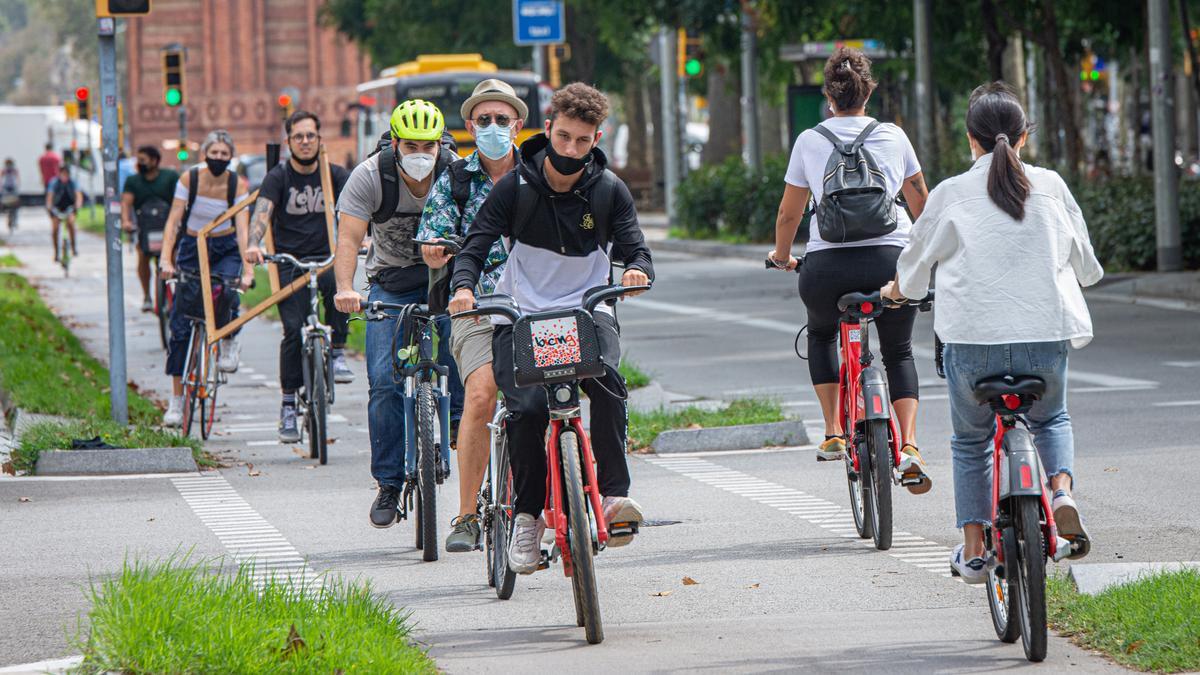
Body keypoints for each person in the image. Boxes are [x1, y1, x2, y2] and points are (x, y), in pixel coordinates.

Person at [882, 82, 1102, 581]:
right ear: (1024, 136)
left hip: (972, 347)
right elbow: (1088, 269)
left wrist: (896, 292)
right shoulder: (1050, 186)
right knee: (1051, 420)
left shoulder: (951, 193)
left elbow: (913, 273)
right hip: (1044, 339)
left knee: (971, 442)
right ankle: (1061, 492)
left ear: (970, 139)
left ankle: (975, 549)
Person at [448, 82, 652, 574]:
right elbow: (475, 246)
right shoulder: (513, 187)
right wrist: (462, 288)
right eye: (563, 137)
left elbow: (636, 246)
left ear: (596, 138)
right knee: (528, 408)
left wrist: (635, 270)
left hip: (587, 311)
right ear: (548, 130)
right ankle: (525, 518)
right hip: (521, 312)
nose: (570, 150)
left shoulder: (608, 190)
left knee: (608, 388)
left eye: (583, 141)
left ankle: (612, 498)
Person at [767, 47, 932, 490]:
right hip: (890, 262)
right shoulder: (894, 136)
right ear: (869, 93)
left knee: (822, 332)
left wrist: (782, 257)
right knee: (898, 350)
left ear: (828, 96)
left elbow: (789, 214)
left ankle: (834, 431)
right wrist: (926, 257)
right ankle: (911, 445)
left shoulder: (810, 139)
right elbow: (920, 202)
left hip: (828, 265)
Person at [332, 100, 464, 528]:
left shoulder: (457, 173)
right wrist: (346, 289)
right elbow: (349, 239)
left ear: (441, 142)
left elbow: (481, 228)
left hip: (444, 279)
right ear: (394, 142)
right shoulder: (369, 177)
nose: (421, 153)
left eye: (429, 144)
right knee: (384, 382)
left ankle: (460, 422)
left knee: (462, 350)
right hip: (390, 282)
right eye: (411, 144)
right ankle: (388, 483)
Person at [417, 79, 525, 552]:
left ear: (518, 125)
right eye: (485, 121)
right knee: (480, 393)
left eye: (503, 120)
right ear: (469, 126)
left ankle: (549, 500)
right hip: (475, 305)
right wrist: (438, 254)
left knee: (548, 400)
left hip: (537, 306)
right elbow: (430, 243)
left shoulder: (541, 173)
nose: (495, 128)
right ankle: (466, 515)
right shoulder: (455, 180)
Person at [243, 110, 353, 443]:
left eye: (310, 136)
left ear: (320, 140)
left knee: (340, 285)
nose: (305, 142)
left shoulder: (333, 174)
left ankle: (336, 352)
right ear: (289, 141)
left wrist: (362, 237)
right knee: (293, 331)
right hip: (289, 262)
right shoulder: (279, 176)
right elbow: (262, 212)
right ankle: (289, 403)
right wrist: (252, 244)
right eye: (298, 137)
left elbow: (357, 209)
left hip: (326, 256)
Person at [159, 130, 254, 427]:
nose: (219, 159)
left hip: (225, 247)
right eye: (214, 154)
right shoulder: (191, 179)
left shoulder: (236, 183)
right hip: (191, 245)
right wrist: (165, 258)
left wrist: (248, 270)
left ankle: (228, 339)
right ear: (204, 155)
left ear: (231, 158)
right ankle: (176, 402)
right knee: (180, 327)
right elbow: (174, 220)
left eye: (225, 155)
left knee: (227, 290)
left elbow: (241, 229)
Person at [122, 145, 180, 311]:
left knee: (174, 258)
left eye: (142, 160)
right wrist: (126, 221)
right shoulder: (133, 181)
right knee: (142, 255)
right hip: (145, 227)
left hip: (168, 226)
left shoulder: (169, 177)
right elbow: (126, 203)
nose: (139, 164)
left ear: (154, 161)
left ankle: (174, 296)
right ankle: (147, 296)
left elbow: (181, 199)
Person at [45, 165, 81, 261]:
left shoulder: (73, 183)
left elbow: (78, 195)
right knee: (55, 229)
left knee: (71, 224)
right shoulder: (54, 183)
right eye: (62, 173)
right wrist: (49, 206)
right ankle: (56, 252)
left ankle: (73, 247)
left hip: (69, 207)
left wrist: (77, 205)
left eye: (66, 173)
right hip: (57, 208)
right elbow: (50, 196)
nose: (64, 176)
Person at [1, 158, 18, 231]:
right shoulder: (4, 170)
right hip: (6, 188)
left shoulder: (14, 170)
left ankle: (15, 220)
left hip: (13, 188)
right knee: (5, 204)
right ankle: (9, 218)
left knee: (15, 205)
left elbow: (17, 179)